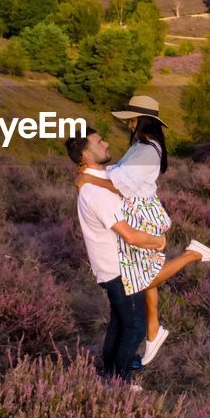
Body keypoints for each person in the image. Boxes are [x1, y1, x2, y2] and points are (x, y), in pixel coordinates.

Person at [76, 95, 210, 367]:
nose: (129, 123)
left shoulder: (145, 151)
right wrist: (93, 176)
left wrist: (89, 180)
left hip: (141, 213)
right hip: (141, 209)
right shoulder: (143, 146)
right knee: (142, 275)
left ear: (143, 121)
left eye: (132, 118)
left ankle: (192, 254)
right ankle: (154, 330)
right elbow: (117, 173)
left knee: (143, 278)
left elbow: (121, 185)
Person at [67, 128, 164, 384]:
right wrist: (157, 241)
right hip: (119, 269)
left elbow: (120, 182)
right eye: (100, 142)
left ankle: (109, 371)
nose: (107, 143)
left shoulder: (98, 179)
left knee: (119, 323)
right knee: (135, 328)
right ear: (86, 155)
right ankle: (119, 382)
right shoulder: (94, 191)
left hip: (113, 267)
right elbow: (129, 235)